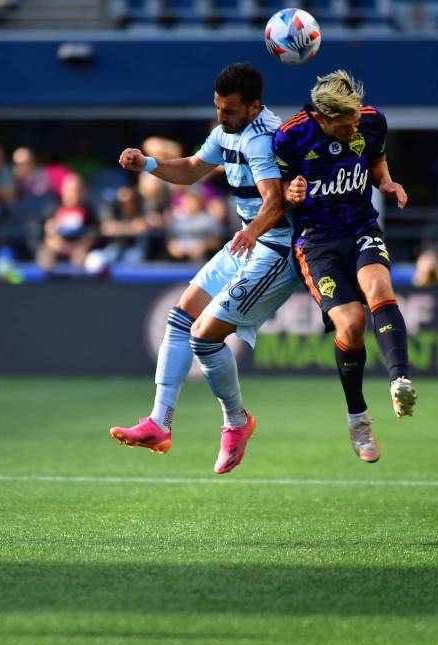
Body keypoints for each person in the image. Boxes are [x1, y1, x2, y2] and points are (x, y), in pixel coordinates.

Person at [109, 63, 297, 475]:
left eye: (228, 110)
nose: (220, 116)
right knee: (182, 314)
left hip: (275, 247)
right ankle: (159, 422)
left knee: (204, 337)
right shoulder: (228, 131)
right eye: (217, 107)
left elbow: (276, 202)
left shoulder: (261, 140)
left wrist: (251, 234)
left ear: (253, 107)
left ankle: (236, 422)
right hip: (249, 239)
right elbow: (194, 167)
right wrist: (150, 165)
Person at [274, 69, 417, 464]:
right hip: (317, 241)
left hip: (360, 227)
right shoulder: (291, 136)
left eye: (356, 119)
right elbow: (277, 193)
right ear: (323, 119)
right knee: (351, 324)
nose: (354, 127)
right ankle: (358, 417)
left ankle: (399, 380)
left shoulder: (371, 120)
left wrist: (386, 183)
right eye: (345, 124)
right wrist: (291, 192)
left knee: (379, 288)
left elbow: (377, 161)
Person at [36, 173, 98, 270]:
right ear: (63, 190)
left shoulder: (88, 209)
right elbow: (48, 233)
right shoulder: (53, 208)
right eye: (70, 189)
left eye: (77, 189)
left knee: (82, 258)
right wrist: (62, 247)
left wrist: (77, 248)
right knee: (45, 256)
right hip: (58, 247)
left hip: (79, 248)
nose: (73, 193)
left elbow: (92, 234)